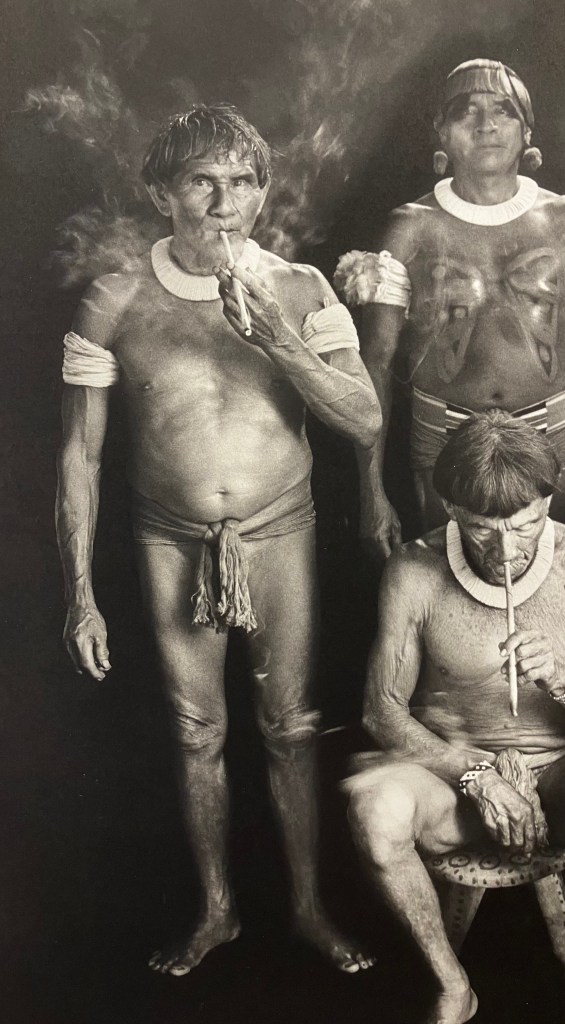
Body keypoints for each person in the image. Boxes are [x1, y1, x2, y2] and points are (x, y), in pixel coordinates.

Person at [56, 104, 381, 976]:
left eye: (241, 182)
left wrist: (277, 337)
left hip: (281, 530)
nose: (222, 201)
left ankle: (307, 908)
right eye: (200, 181)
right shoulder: (117, 297)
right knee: (196, 730)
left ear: (263, 191)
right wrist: (81, 595)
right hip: (170, 536)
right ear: (161, 192)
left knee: (292, 726)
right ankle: (216, 912)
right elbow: (80, 458)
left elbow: (362, 420)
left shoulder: (301, 288)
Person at [347, 410, 565, 1024]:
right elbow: (381, 712)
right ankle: (452, 986)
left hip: (563, 774)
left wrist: (564, 680)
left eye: (525, 526)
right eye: (480, 529)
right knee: (374, 810)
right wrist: (477, 775)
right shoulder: (413, 569)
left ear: (548, 500)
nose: (504, 550)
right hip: (452, 785)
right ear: (450, 507)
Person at [334, 59, 565, 559]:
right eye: (466, 111)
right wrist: (371, 492)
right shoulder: (409, 229)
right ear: (441, 130)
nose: (486, 124)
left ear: (527, 132)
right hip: (443, 435)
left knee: (552, 585)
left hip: (551, 430)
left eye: (503, 110)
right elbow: (374, 366)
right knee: (447, 585)